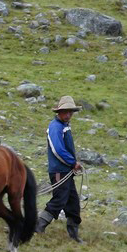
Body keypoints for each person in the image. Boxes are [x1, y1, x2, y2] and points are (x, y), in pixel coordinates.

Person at [35, 96, 83, 243]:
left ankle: (73, 234)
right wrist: (72, 162)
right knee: (60, 199)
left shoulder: (64, 125)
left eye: (70, 112)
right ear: (59, 112)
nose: (68, 115)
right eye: (65, 112)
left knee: (73, 201)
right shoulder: (55, 127)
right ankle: (38, 226)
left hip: (65, 171)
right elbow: (58, 150)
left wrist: (72, 165)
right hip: (59, 171)